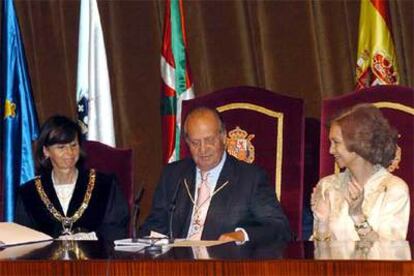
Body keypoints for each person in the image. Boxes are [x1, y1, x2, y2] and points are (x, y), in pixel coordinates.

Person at [140, 107, 291, 243]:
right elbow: (155, 225)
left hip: (223, 265)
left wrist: (241, 235)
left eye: (209, 140)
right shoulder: (173, 175)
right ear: (187, 142)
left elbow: (278, 227)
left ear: (223, 137)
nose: (203, 149)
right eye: (195, 143)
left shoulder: (250, 178)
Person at [15, 115, 129, 240]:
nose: (69, 153)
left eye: (74, 145)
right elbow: (24, 239)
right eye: (61, 147)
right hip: (46, 259)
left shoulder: (105, 185)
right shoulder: (29, 193)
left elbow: (117, 229)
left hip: (96, 258)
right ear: (46, 151)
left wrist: (91, 238)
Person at [311, 103, 410, 241]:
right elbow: (318, 253)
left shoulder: (393, 189)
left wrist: (358, 216)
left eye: (336, 142)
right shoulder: (328, 186)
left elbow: (389, 254)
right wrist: (322, 222)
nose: (331, 150)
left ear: (359, 143)